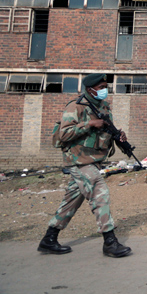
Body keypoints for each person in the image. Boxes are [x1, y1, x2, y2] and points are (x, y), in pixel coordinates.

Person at [38, 73, 133, 257]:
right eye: (101, 87)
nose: (105, 90)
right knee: (99, 191)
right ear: (90, 89)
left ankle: (49, 238)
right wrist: (89, 124)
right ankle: (110, 242)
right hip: (78, 160)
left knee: (73, 199)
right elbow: (63, 134)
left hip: (92, 160)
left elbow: (106, 128)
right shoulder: (76, 106)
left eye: (106, 86)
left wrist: (118, 135)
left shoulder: (103, 106)